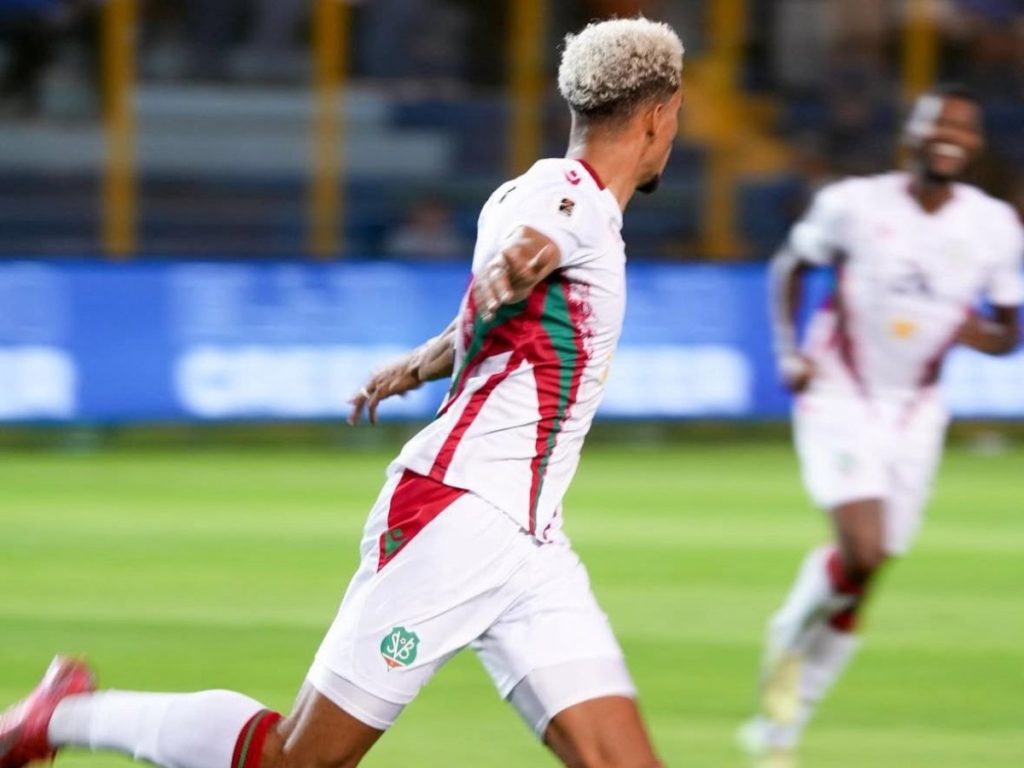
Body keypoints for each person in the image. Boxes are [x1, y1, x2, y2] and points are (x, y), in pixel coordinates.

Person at [0, 17, 685, 768]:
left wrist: (424, 360)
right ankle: (67, 714)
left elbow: (515, 323)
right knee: (299, 760)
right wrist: (518, 262)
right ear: (658, 117)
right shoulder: (567, 198)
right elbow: (536, 242)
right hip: (457, 517)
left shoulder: (528, 192)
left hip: (529, 540)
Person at [738, 84, 1023, 767]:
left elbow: (1009, 332)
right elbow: (790, 265)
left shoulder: (994, 227)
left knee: (867, 571)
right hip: (840, 393)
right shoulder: (854, 205)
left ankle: (783, 719)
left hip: (917, 410)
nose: (950, 134)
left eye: (964, 126)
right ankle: (788, 650)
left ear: (976, 144)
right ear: (912, 135)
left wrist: (968, 330)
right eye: (937, 123)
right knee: (862, 550)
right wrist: (788, 349)